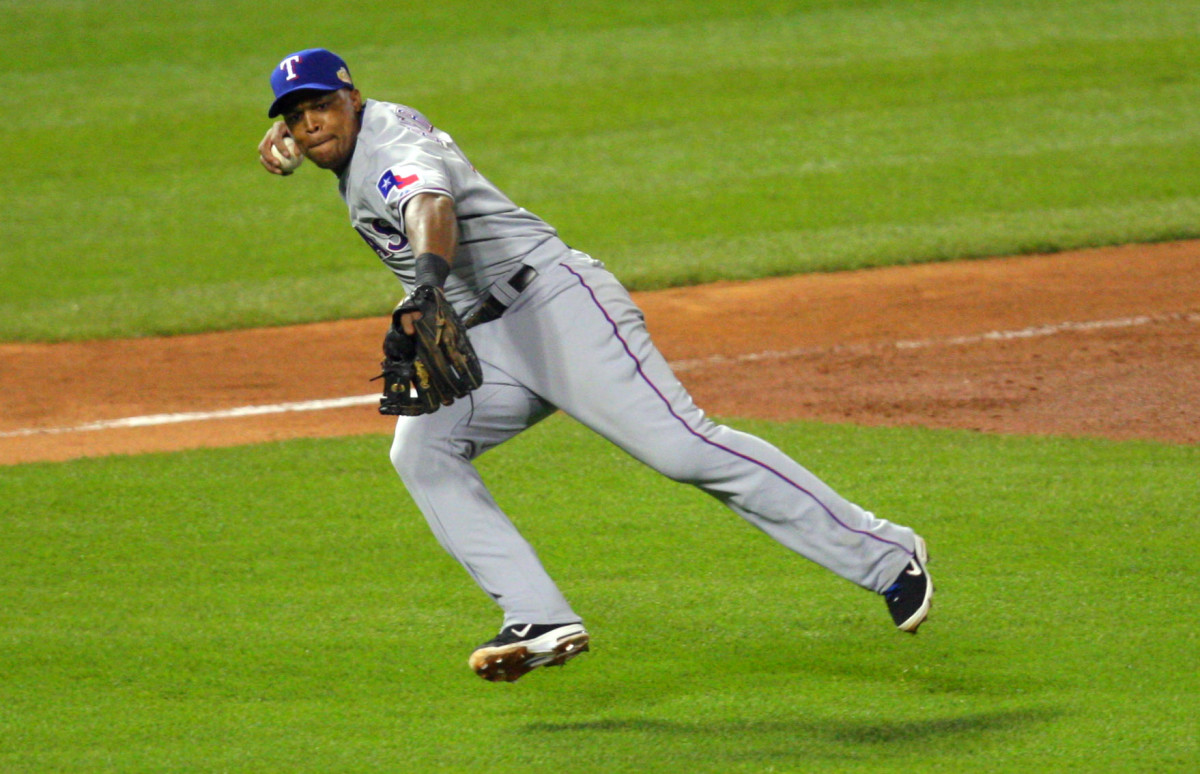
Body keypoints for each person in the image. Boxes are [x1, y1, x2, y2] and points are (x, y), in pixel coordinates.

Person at [258, 49, 934, 683]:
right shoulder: (361, 133)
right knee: (423, 451)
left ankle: (887, 555)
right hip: (488, 339)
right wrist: (293, 146)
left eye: (321, 106)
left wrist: (429, 287)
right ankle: (541, 617)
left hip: (553, 305)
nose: (310, 122)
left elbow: (428, 206)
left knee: (684, 449)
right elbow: (341, 151)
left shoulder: (390, 145)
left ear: (354, 97)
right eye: (295, 116)